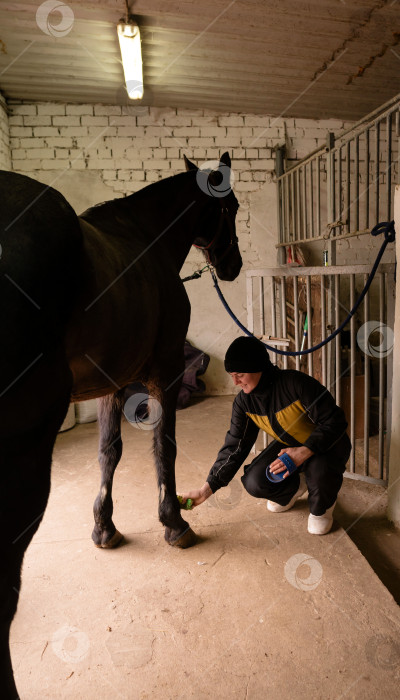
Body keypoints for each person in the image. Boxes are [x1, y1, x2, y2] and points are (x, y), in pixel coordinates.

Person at [182, 336, 351, 535]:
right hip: (289, 446)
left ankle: (323, 505)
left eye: (240, 375)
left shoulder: (296, 384)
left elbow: (335, 421)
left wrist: (304, 452)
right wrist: (205, 490)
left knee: (318, 525)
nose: (235, 382)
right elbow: (235, 446)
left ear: (258, 367)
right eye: (232, 375)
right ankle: (298, 485)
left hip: (327, 446)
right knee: (255, 481)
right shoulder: (244, 403)